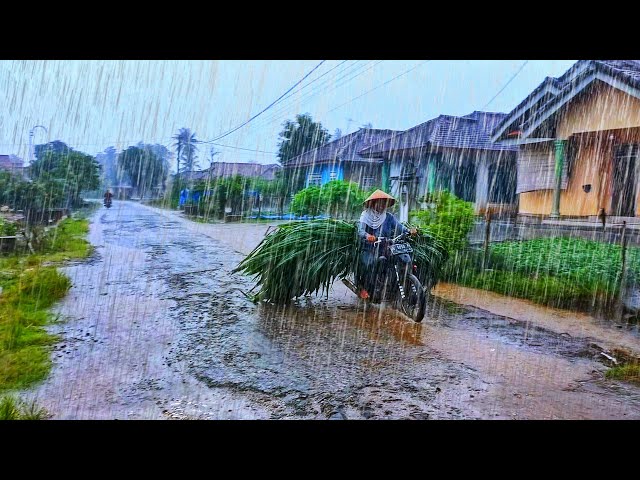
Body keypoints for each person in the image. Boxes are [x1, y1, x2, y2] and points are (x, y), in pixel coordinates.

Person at [356, 189, 417, 299]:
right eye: (379, 203)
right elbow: (360, 230)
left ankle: (394, 284)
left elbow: (399, 226)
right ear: (373, 204)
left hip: (385, 246)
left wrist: (408, 230)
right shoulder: (365, 215)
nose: (382, 205)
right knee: (370, 264)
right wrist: (368, 236)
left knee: (395, 260)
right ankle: (364, 287)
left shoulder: (388, 217)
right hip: (369, 247)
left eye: (384, 203)